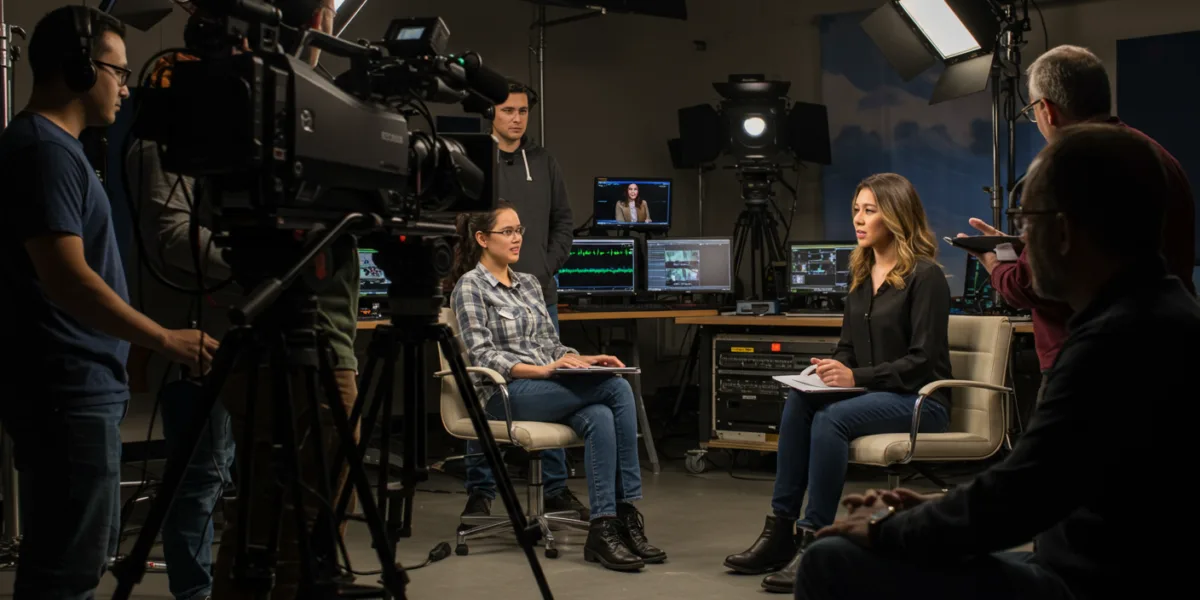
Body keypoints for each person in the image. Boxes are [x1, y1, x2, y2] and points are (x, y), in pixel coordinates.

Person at [796, 123, 1199, 600]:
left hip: (1082, 584)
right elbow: (1046, 487)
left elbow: (1019, 498)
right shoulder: (1159, 315)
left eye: (1026, 223)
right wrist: (926, 509)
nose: (1019, 242)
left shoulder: (1112, 347)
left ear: (1063, 231)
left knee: (830, 560)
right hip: (1092, 564)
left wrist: (891, 529)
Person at [0, 6, 218, 598]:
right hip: (67, 392)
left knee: (74, 559)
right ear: (78, 68)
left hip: (75, 389)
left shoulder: (57, 149)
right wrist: (164, 339)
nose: (125, 87)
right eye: (118, 72)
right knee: (67, 571)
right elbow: (67, 280)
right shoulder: (44, 151)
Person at [724, 173, 953, 594]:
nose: (858, 220)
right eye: (856, 210)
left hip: (921, 401)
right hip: (875, 392)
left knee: (832, 418)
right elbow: (848, 347)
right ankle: (780, 529)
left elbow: (921, 362)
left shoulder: (926, 277)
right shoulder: (861, 273)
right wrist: (830, 368)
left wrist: (855, 377)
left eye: (870, 211)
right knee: (800, 399)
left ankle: (815, 540)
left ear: (896, 215)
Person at [206, 2, 364, 598]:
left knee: (255, 516)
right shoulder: (313, 112)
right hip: (314, 344)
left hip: (252, 340)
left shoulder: (233, 102)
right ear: (322, 21)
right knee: (311, 522)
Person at [959, 44, 1195, 405]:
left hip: (1088, 365)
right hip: (1172, 357)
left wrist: (997, 266)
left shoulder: (1067, 172)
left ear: (1047, 110)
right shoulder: (1159, 159)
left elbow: (1033, 284)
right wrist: (1025, 246)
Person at [450, 204, 664, 572]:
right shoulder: (470, 286)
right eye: (507, 231)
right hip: (504, 395)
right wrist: (544, 370)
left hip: (546, 387)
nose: (517, 238)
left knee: (600, 415)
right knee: (617, 390)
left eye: (519, 230)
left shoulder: (529, 284)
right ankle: (626, 510)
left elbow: (552, 345)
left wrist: (582, 359)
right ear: (482, 238)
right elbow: (484, 357)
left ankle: (603, 526)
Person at [123, 13, 238, 599]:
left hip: (237, 331)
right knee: (199, 477)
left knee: (228, 471)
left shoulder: (226, 137)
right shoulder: (162, 143)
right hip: (195, 338)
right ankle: (194, 594)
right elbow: (170, 238)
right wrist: (249, 259)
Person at [462, 79, 586, 521]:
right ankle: (480, 490)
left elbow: (564, 222)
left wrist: (543, 269)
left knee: (551, 389)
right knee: (484, 386)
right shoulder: (475, 159)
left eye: (522, 111)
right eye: (507, 111)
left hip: (538, 295)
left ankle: (554, 488)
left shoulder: (545, 162)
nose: (516, 119)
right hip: (487, 293)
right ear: (491, 114)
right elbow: (461, 220)